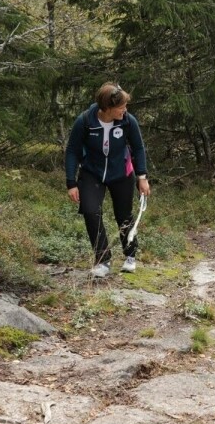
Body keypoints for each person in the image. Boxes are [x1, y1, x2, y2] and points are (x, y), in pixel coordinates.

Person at [65, 82, 151, 278]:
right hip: (91, 173)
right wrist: (71, 182)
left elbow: (138, 148)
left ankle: (130, 256)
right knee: (90, 211)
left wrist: (142, 177)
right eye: (121, 107)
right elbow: (72, 151)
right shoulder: (85, 121)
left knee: (124, 215)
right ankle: (103, 260)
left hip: (121, 173)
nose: (125, 110)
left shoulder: (128, 121)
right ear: (107, 108)